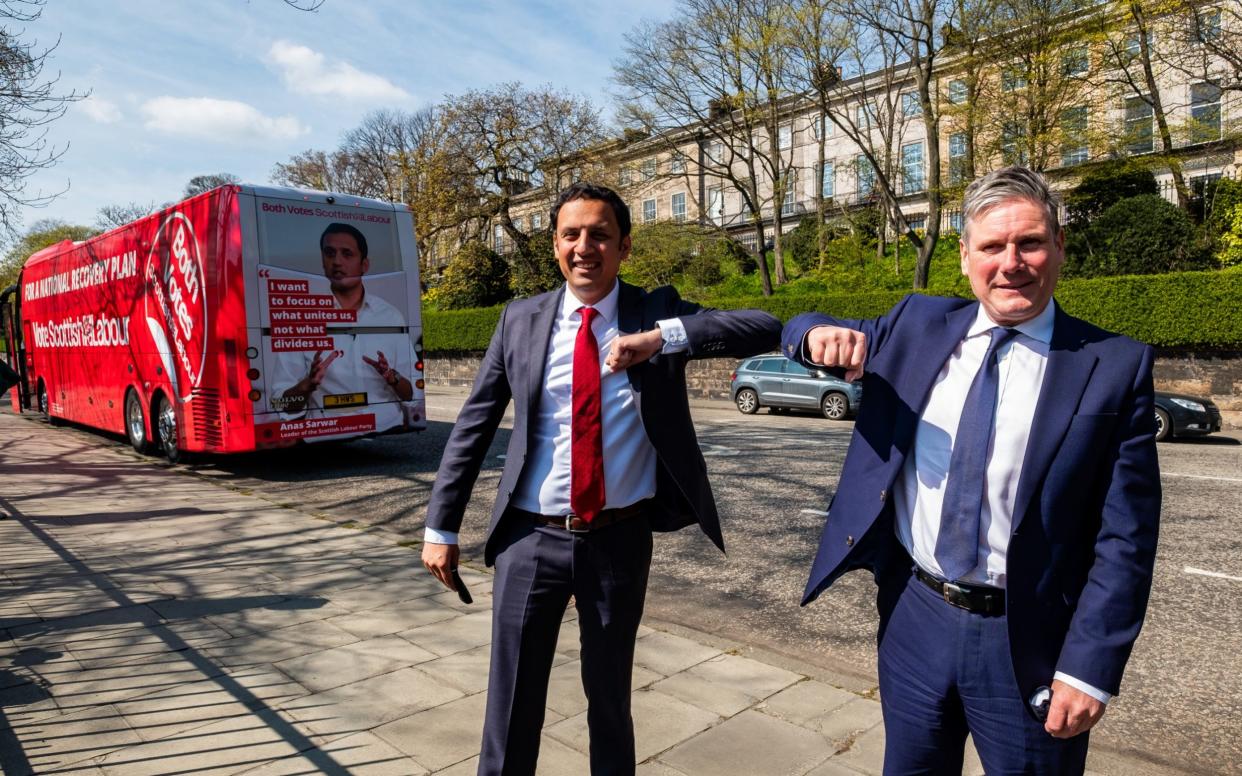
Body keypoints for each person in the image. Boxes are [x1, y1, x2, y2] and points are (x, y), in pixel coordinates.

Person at [782, 166, 1160, 774]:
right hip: (914, 614)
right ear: (964, 257)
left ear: (1059, 247)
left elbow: (1127, 539)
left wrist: (1090, 668)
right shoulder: (918, 325)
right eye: (992, 246)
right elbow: (799, 327)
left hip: (1029, 642)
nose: (1011, 262)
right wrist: (813, 336)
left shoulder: (1113, 366)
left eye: (1030, 242)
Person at [422, 182, 781, 776]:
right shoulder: (520, 318)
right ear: (555, 245)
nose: (584, 246)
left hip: (618, 539)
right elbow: (473, 425)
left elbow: (763, 325)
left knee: (609, 699)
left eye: (599, 235)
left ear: (624, 247)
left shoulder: (653, 312)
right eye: (571, 234)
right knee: (511, 703)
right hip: (529, 538)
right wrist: (441, 525)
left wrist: (660, 339)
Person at [271, 223, 413, 431]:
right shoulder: (303, 319)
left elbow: (411, 393)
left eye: (347, 254)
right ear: (322, 260)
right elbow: (280, 405)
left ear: (364, 264)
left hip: (386, 425)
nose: (337, 261)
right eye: (330, 253)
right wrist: (306, 385)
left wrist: (393, 377)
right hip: (324, 430)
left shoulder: (391, 316)